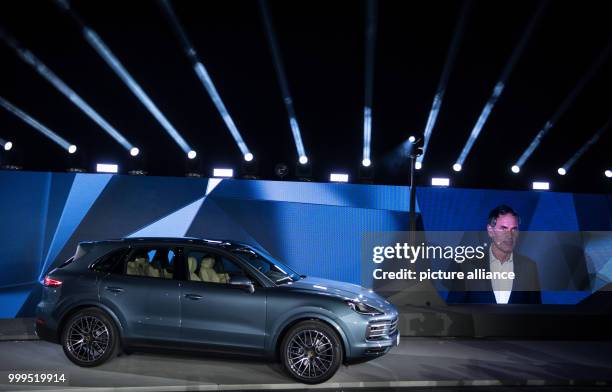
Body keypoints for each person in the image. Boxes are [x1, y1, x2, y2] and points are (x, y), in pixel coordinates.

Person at [447, 205, 541, 304]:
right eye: (503, 228)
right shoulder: (467, 265)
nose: (509, 235)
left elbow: (536, 312)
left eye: (514, 229)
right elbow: (455, 309)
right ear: (491, 231)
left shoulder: (529, 267)